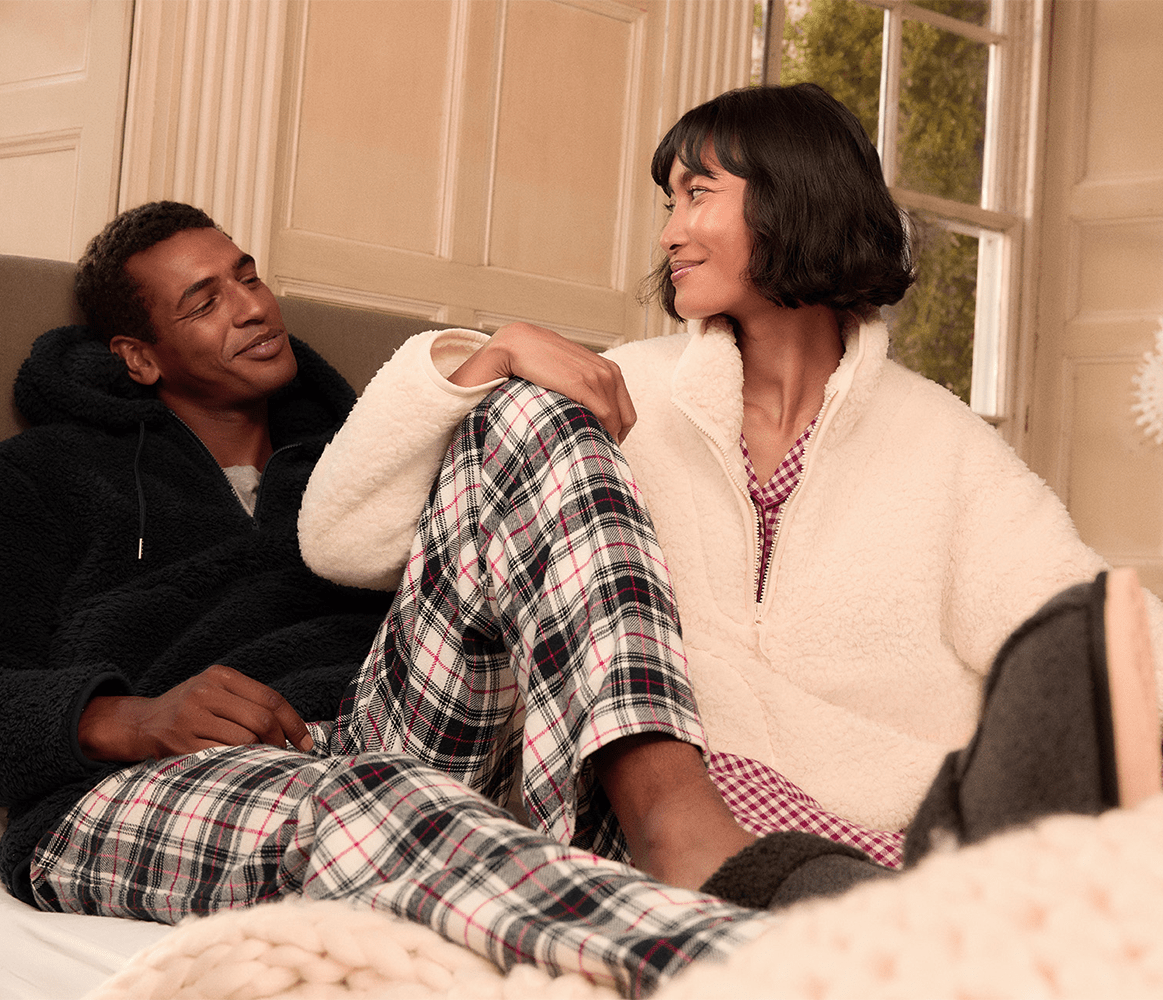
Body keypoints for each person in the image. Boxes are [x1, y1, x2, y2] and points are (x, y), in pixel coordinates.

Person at [0, 200, 778, 995]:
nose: (251, 307)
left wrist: (493, 355)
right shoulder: (30, 480)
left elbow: (493, 568)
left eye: (247, 276)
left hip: (382, 727)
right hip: (137, 782)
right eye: (204, 301)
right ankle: (762, 969)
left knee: (523, 412)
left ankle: (677, 826)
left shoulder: (351, 459)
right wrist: (128, 716)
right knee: (376, 798)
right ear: (139, 358)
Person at [298, 82, 1163, 901]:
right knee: (530, 408)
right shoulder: (614, 395)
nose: (670, 233)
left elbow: (1096, 644)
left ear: (795, 200)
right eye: (668, 204)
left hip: (868, 844)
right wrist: (480, 359)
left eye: (697, 195)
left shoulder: (945, 446)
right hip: (629, 815)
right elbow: (345, 537)